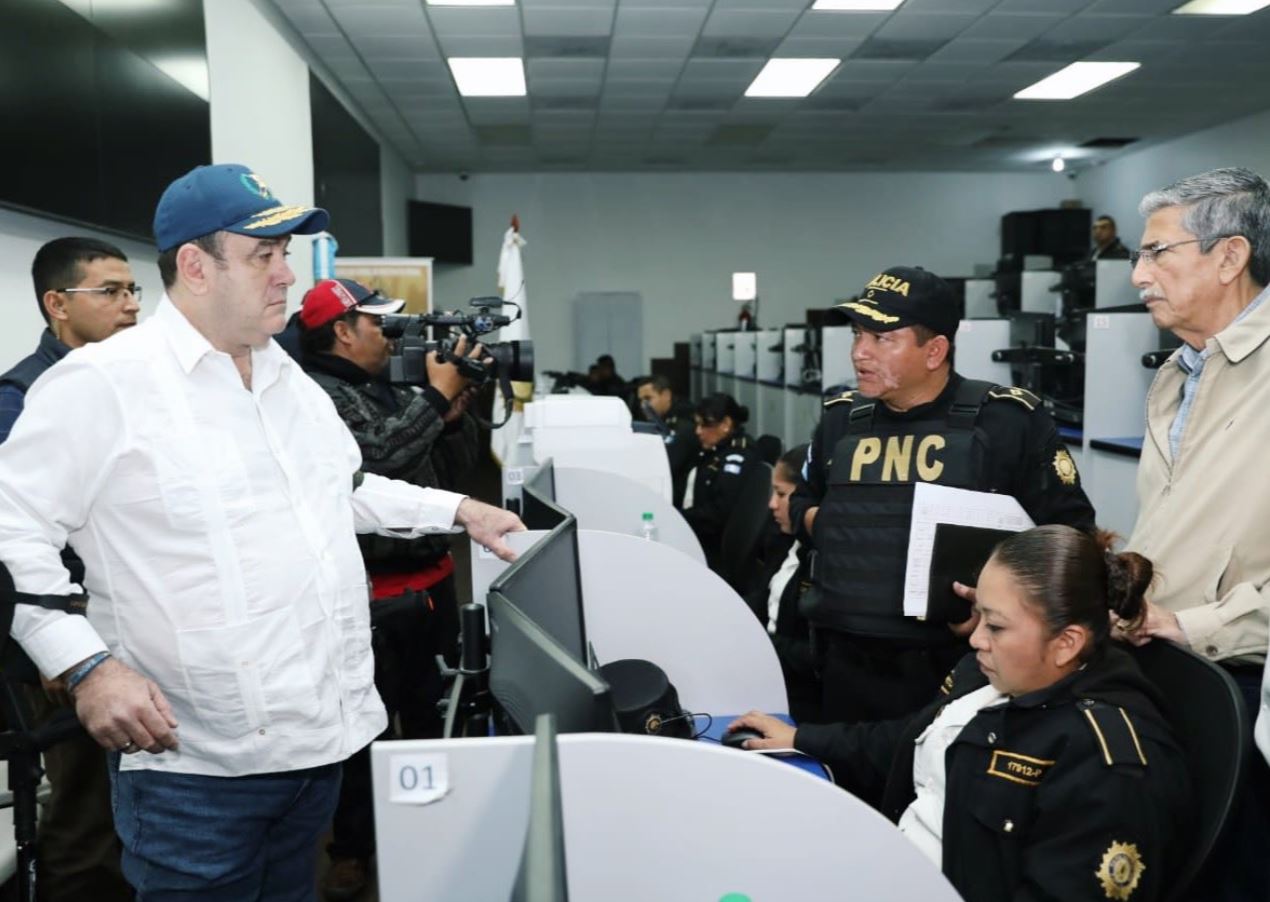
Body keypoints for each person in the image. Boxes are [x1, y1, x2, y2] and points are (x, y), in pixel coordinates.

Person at [0, 163, 524, 900]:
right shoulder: (103, 385)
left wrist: (457, 511)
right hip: (196, 770)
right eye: (263, 255)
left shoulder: (286, 378)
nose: (286, 275)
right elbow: (10, 532)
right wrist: (87, 667)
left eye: (285, 254)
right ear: (195, 266)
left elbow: (343, 489)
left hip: (317, 746)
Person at [728, 525, 1191, 902]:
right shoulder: (992, 677)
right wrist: (801, 738)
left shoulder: (1108, 767)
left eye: (996, 625)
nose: (975, 639)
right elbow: (905, 741)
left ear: (1067, 643)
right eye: (980, 616)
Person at [788, 266, 1095, 726]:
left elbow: (1070, 539)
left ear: (934, 351)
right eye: (857, 335)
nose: (859, 353)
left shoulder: (1007, 422)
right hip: (844, 658)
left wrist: (998, 608)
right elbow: (800, 503)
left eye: (882, 339)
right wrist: (831, 524)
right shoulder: (840, 421)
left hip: (957, 665)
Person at [295, 277, 482, 900]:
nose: (392, 336)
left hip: (432, 583)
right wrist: (432, 399)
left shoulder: (392, 388)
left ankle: (440, 835)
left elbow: (447, 478)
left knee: (434, 716)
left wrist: (449, 419)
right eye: (381, 324)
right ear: (343, 332)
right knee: (363, 733)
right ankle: (352, 851)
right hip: (370, 597)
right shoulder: (314, 395)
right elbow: (373, 461)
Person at [1120, 166, 1270, 901]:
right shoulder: (1179, 372)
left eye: (1157, 253)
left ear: (1229, 257)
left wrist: (1196, 622)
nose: (1137, 273)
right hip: (1166, 665)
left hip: (1245, 685)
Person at [0, 236, 139, 901]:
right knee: (86, 820)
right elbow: (18, 540)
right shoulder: (22, 396)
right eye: (110, 292)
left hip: (130, 624)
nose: (131, 305)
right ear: (58, 304)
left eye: (134, 289)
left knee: (128, 810)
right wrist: (63, 648)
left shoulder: (124, 385)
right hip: (69, 643)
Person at [742, 446, 819, 723]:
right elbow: (761, 600)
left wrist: (759, 642)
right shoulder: (785, 542)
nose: (772, 504)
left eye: (782, 494)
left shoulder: (825, 563)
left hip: (797, 701)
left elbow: (815, 657)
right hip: (766, 672)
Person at [682, 392, 759, 571]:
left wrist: (680, 517)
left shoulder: (737, 456)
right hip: (701, 533)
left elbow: (718, 514)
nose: (698, 431)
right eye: (697, 424)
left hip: (716, 548)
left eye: (704, 425)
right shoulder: (716, 449)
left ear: (725, 424)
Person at [635, 375, 698, 507]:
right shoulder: (663, 419)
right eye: (640, 400)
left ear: (666, 395)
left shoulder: (683, 422)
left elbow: (669, 463)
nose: (643, 405)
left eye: (648, 399)